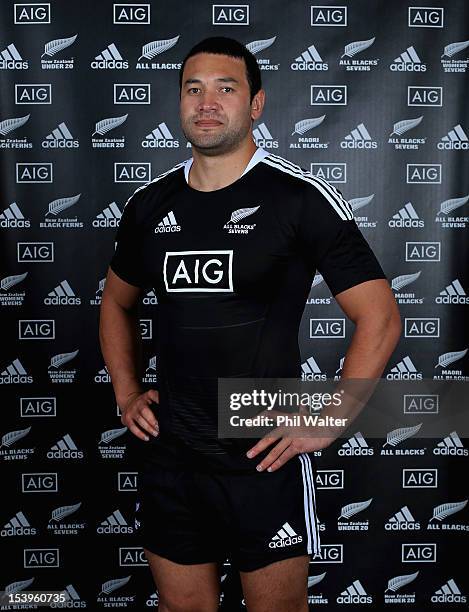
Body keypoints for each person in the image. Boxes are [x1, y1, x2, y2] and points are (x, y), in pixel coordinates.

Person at [99, 36, 401, 612]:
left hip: (262, 454)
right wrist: (127, 391)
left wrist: (331, 416)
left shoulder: (298, 198)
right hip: (172, 454)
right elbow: (116, 304)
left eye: (225, 88)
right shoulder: (149, 205)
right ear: (180, 103)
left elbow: (380, 316)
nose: (206, 103)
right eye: (194, 89)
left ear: (256, 105)